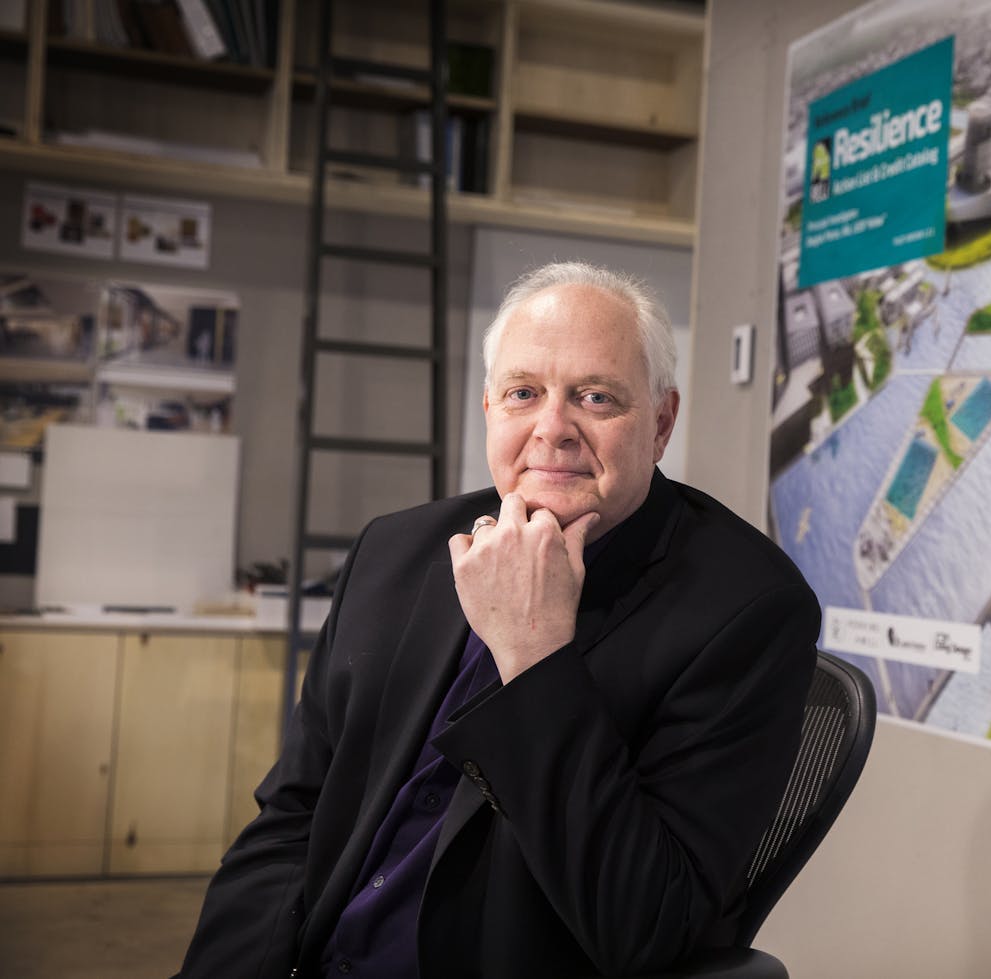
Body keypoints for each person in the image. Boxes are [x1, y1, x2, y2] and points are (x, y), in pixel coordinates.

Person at [179, 262, 821, 978]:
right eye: (524, 393)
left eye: (596, 396)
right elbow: (293, 817)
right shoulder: (394, 551)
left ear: (661, 423)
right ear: (490, 409)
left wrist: (535, 657)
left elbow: (645, 926)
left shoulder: (749, 610)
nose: (554, 429)